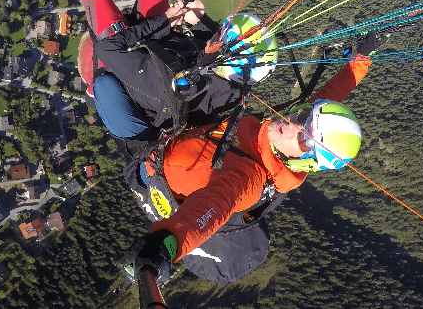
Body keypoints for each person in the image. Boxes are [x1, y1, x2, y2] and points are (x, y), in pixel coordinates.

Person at [130, 46, 372, 284]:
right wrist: (360, 61)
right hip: (178, 137)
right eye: (304, 118)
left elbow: (215, 206)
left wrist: (168, 244)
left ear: (306, 161)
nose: (294, 125)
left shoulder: (249, 179)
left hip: (150, 159)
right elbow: (325, 98)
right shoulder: (272, 142)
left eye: (303, 137)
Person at [21, 0, 240, 141]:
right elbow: (195, 21)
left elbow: (118, 46)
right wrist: (181, 18)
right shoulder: (219, 79)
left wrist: (166, 19)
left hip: (125, 53)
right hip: (152, 48)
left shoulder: (199, 85)